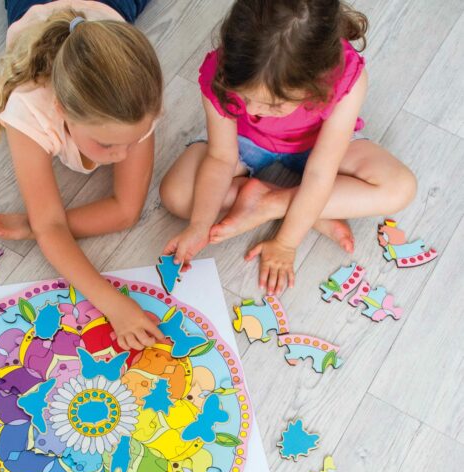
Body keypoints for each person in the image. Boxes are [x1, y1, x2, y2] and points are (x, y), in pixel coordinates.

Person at [159, 0, 417, 295]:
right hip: (245, 143)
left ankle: (272, 203)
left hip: (318, 146)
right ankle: (308, 209)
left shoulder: (346, 78)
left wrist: (285, 242)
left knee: (400, 187)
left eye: (274, 104)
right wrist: (199, 225)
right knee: (176, 194)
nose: (254, 109)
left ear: (316, 83)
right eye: (244, 96)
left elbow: (321, 172)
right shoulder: (223, 71)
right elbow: (220, 157)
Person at [0, 1, 164, 350]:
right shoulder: (29, 108)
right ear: (62, 109)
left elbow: (125, 211)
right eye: (108, 144)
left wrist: (37, 224)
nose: (122, 155)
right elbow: (51, 226)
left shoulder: (137, 98)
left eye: (132, 141)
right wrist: (114, 305)